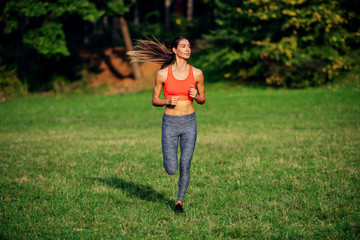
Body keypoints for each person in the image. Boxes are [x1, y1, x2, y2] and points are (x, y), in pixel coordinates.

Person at [127, 36, 206, 213]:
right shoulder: (163, 74)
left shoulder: (197, 73)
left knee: (185, 163)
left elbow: (203, 99)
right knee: (171, 168)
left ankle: (179, 202)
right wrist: (166, 101)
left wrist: (196, 96)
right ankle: (170, 167)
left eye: (189, 46)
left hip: (189, 122)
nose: (188, 49)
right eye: (183, 46)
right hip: (170, 123)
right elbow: (154, 100)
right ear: (174, 50)